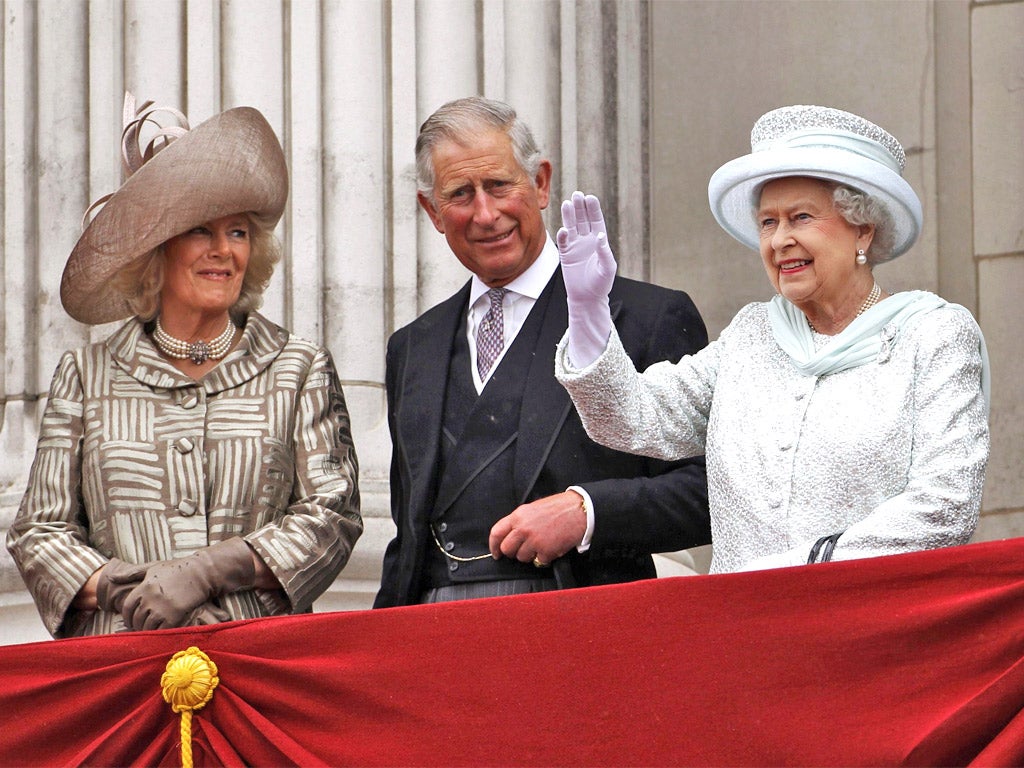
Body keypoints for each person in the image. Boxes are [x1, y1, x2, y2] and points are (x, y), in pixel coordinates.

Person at [554, 104, 990, 573]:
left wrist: (811, 565)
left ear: (863, 228)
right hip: (744, 631)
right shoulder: (750, 336)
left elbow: (946, 503)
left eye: (801, 217)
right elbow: (632, 419)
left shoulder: (932, 336)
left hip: (870, 624)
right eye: (768, 222)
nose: (779, 239)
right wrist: (588, 309)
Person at [6, 94, 362, 636]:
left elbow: (331, 516)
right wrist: (125, 588)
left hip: (256, 660)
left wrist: (206, 573)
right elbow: (39, 531)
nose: (224, 249)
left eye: (237, 232)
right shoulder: (86, 374)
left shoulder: (297, 366)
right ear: (156, 249)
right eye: (201, 230)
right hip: (121, 667)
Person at [374, 96, 710, 607]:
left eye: (499, 185)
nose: (486, 214)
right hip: (434, 635)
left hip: (583, 627)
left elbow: (708, 493)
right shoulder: (412, 347)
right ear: (433, 211)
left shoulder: (647, 318)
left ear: (541, 183)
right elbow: (409, 540)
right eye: (461, 194)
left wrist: (587, 511)